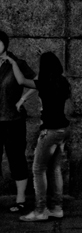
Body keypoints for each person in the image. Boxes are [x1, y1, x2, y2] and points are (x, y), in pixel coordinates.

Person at [8, 51, 71, 222]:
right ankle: (57, 208)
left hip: (49, 131)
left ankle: (40, 210)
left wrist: (13, 63)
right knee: (55, 169)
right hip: (63, 129)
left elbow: (22, 81)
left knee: (38, 169)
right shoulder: (63, 82)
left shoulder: (44, 83)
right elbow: (39, 88)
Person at [0, 30, 36, 214]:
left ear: (5, 44)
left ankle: (20, 199)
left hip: (13, 120)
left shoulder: (17, 63)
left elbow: (37, 82)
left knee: (16, 159)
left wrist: (22, 99)